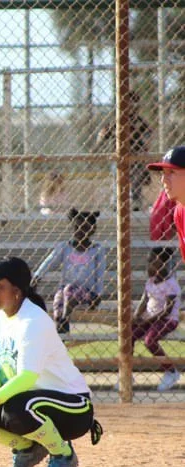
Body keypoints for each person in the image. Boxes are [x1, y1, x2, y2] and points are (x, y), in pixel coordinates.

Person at [0, 256, 100, 467]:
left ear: (17, 291)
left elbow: (27, 377)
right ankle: (27, 448)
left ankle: (62, 454)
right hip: (29, 404)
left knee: (16, 409)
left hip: (73, 407)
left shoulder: (34, 321)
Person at [32, 209, 105, 334]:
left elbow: (100, 273)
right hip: (65, 290)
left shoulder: (96, 249)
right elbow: (49, 262)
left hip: (87, 291)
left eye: (85, 228)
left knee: (69, 290)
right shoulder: (65, 247)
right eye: (77, 227)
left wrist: (98, 294)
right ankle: (61, 325)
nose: (80, 231)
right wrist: (37, 276)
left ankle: (64, 319)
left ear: (93, 230)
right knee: (58, 300)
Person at [131, 247, 181, 392]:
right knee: (129, 335)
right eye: (149, 261)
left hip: (166, 320)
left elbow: (167, 311)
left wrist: (146, 321)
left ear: (164, 264)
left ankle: (171, 372)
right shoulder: (151, 282)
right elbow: (143, 301)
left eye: (153, 261)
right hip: (150, 318)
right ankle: (127, 373)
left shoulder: (171, 284)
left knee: (150, 340)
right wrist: (136, 317)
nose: (149, 265)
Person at [96, 91, 152, 211]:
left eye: (134, 103)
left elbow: (148, 135)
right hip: (119, 156)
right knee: (118, 182)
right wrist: (106, 133)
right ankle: (117, 205)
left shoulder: (139, 121)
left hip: (135, 156)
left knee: (136, 184)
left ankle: (135, 205)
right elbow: (102, 135)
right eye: (129, 102)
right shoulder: (117, 121)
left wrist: (144, 148)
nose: (132, 106)